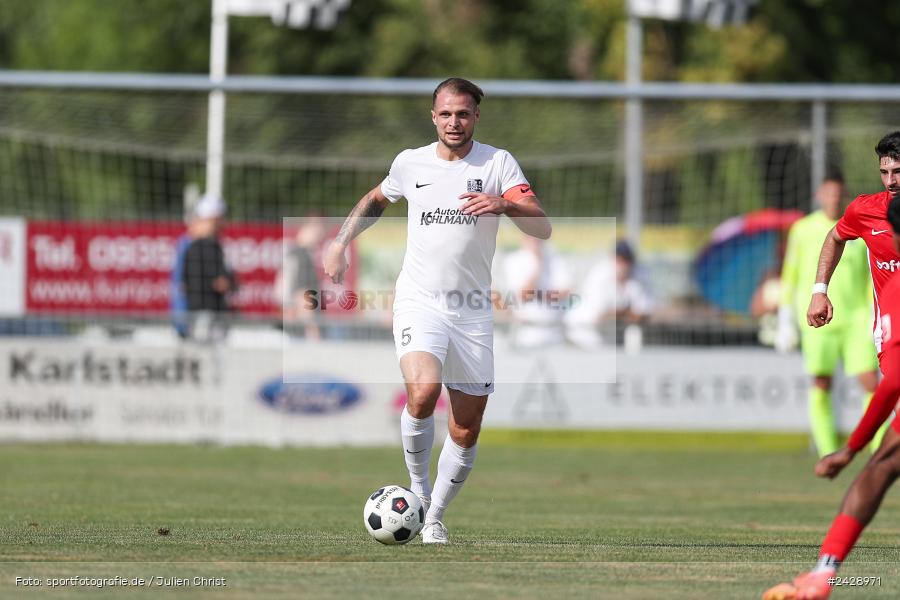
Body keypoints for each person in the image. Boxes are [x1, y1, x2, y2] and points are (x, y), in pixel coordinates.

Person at [323, 77, 550, 544]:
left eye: (463, 114)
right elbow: (375, 200)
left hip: (471, 310)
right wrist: (340, 243)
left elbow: (542, 226)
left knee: (465, 427)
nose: (454, 122)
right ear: (433, 116)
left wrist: (504, 203)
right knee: (424, 391)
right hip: (418, 300)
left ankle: (434, 517)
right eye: (445, 113)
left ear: (476, 117)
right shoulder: (410, 163)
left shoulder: (498, 162)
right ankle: (419, 492)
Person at [762, 133, 900, 600]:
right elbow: (837, 235)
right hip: (869, 335)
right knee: (882, 465)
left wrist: (851, 449)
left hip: (885, 343)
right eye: (885, 172)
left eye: (897, 172)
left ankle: (823, 575)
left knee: (878, 465)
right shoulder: (868, 210)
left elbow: (893, 386)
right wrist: (819, 289)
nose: (891, 180)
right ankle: (823, 574)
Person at [776, 173, 880, 457]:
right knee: (822, 381)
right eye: (829, 193)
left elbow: (871, 272)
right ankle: (827, 449)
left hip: (856, 318)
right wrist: (784, 317)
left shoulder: (857, 228)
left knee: (871, 381)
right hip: (816, 320)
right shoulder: (803, 229)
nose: (834, 199)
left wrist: (875, 309)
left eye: (838, 194)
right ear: (819, 196)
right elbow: (791, 273)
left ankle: (878, 447)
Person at [565, 239, 652, 350]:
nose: (623, 265)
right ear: (613, 258)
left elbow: (644, 314)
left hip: (607, 340)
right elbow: (601, 317)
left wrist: (620, 313)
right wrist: (627, 312)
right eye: (620, 260)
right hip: (580, 336)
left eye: (627, 260)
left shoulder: (638, 275)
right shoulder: (600, 275)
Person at [181, 194, 237, 343]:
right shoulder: (205, 248)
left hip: (202, 313)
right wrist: (230, 283)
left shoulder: (194, 247)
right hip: (207, 315)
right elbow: (221, 283)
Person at [502, 234, 572, 349]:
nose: (536, 240)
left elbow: (565, 292)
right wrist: (538, 264)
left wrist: (538, 295)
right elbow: (524, 295)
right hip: (527, 335)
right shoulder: (514, 261)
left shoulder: (555, 259)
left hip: (555, 334)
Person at [275, 215, 326, 339]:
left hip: (291, 320)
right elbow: (302, 294)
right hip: (300, 325)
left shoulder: (292, 253)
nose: (319, 238)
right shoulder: (302, 256)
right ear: (308, 229)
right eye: (318, 232)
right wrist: (313, 329)